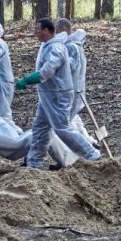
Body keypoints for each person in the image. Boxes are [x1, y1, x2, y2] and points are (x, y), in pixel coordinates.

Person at [15, 18, 100, 168]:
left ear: (46, 31)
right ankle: (34, 163)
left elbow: (48, 71)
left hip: (57, 95)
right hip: (47, 95)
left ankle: (92, 154)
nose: (35, 32)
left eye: (37, 29)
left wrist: (28, 80)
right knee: (40, 129)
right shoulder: (49, 46)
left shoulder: (56, 48)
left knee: (62, 128)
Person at [65, 26, 97, 145]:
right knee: (74, 119)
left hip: (72, 91)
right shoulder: (77, 47)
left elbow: (69, 66)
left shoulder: (71, 48)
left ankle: (84, 148)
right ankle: (89, 142)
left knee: (65, 123)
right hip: (76, 89)